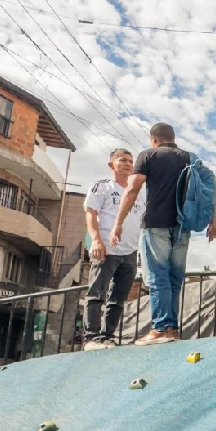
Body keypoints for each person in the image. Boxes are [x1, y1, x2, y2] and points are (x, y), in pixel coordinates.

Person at [111, 123, 216, 346]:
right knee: (175, 278)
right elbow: (209, 187)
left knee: (158, 276)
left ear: (154, 139)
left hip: (156, 224)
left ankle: (160, 328)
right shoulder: (190, 157)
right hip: (183, 226)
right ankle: (172, 329)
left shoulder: (148, 155)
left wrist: (118, 223)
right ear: (173, 138)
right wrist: (213, 222)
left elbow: (133, 189)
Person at [82, 148, 144, 350]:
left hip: (130, 253)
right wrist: (96, 240)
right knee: (96, 294)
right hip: (106, 250)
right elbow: (91, 214)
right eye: (122, 160)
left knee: (117, 298)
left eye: (130, 161)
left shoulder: (138, 194)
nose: (127, 164)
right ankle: (91, 338)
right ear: (112, 165)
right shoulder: (102, 187)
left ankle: (107, 337)